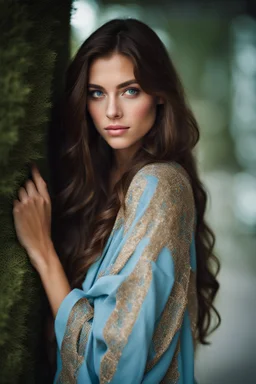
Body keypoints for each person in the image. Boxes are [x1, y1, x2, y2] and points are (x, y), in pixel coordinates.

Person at [13, 18, 221, 384]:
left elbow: (112, 367)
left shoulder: (160, 186)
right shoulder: (95, 181)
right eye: (96, 93)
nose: (111, 111)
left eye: (130, 91)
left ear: (159, 94)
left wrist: (43, 253)